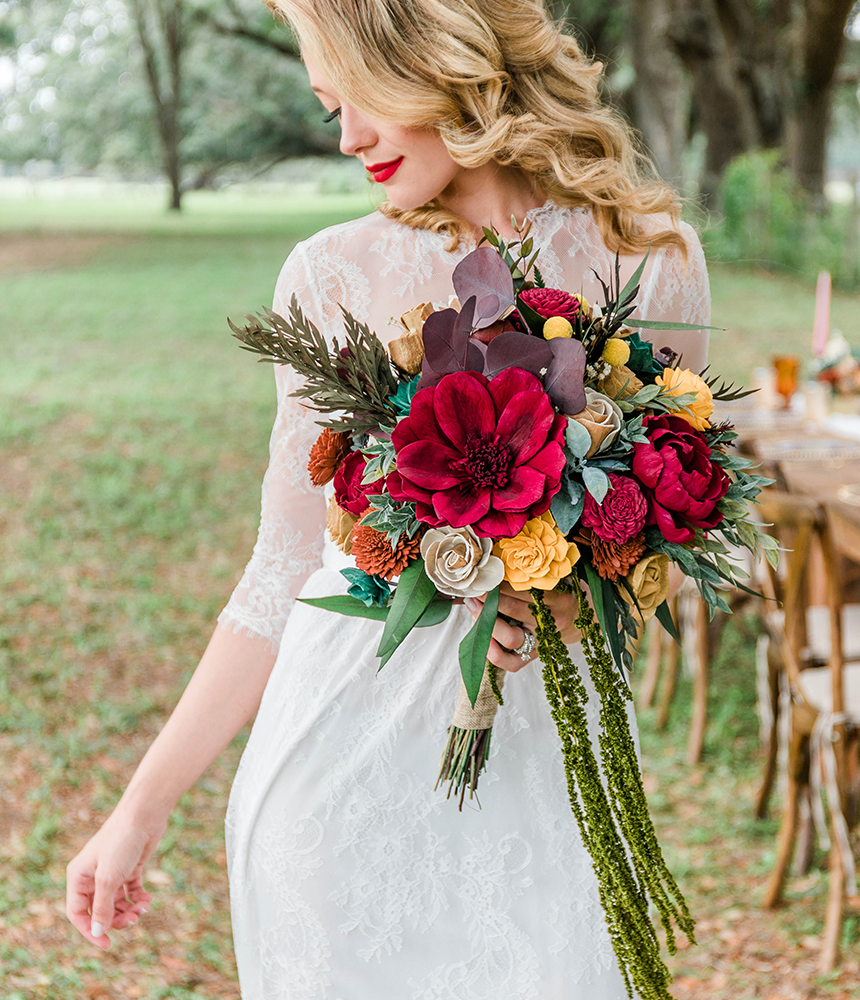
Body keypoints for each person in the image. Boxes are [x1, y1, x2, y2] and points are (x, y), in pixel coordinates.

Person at [66, 1, 710, 996]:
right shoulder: (331, 274)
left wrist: (570, 594)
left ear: (437, 60)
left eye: (359, 98)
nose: (346, 137)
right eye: (329, 108)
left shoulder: (652, 255)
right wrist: (138, 808)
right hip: (335, 786)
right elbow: (282, 568)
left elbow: (665, 526)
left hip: (541, 777)